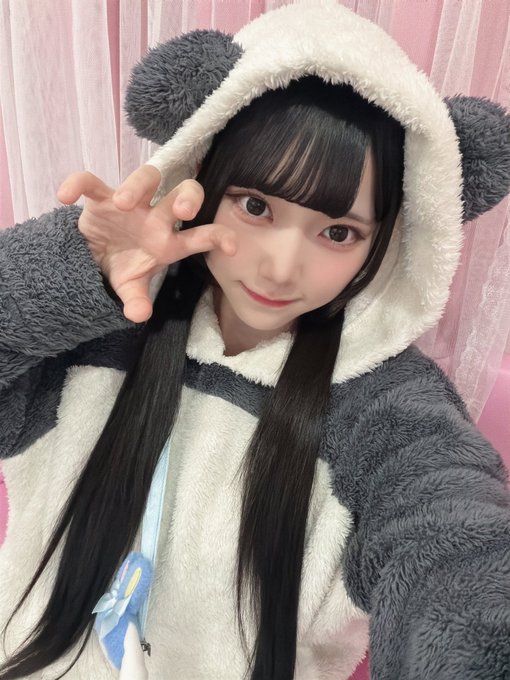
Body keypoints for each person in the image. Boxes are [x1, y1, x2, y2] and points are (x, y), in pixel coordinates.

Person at [0, 3, 509, 680]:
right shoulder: (96, 327)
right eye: (257, 205)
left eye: (338, 232)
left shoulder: (385, 410)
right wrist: (72, 269)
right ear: (203, 179)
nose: (279, 268)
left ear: (384, 244)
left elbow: (451, 546)